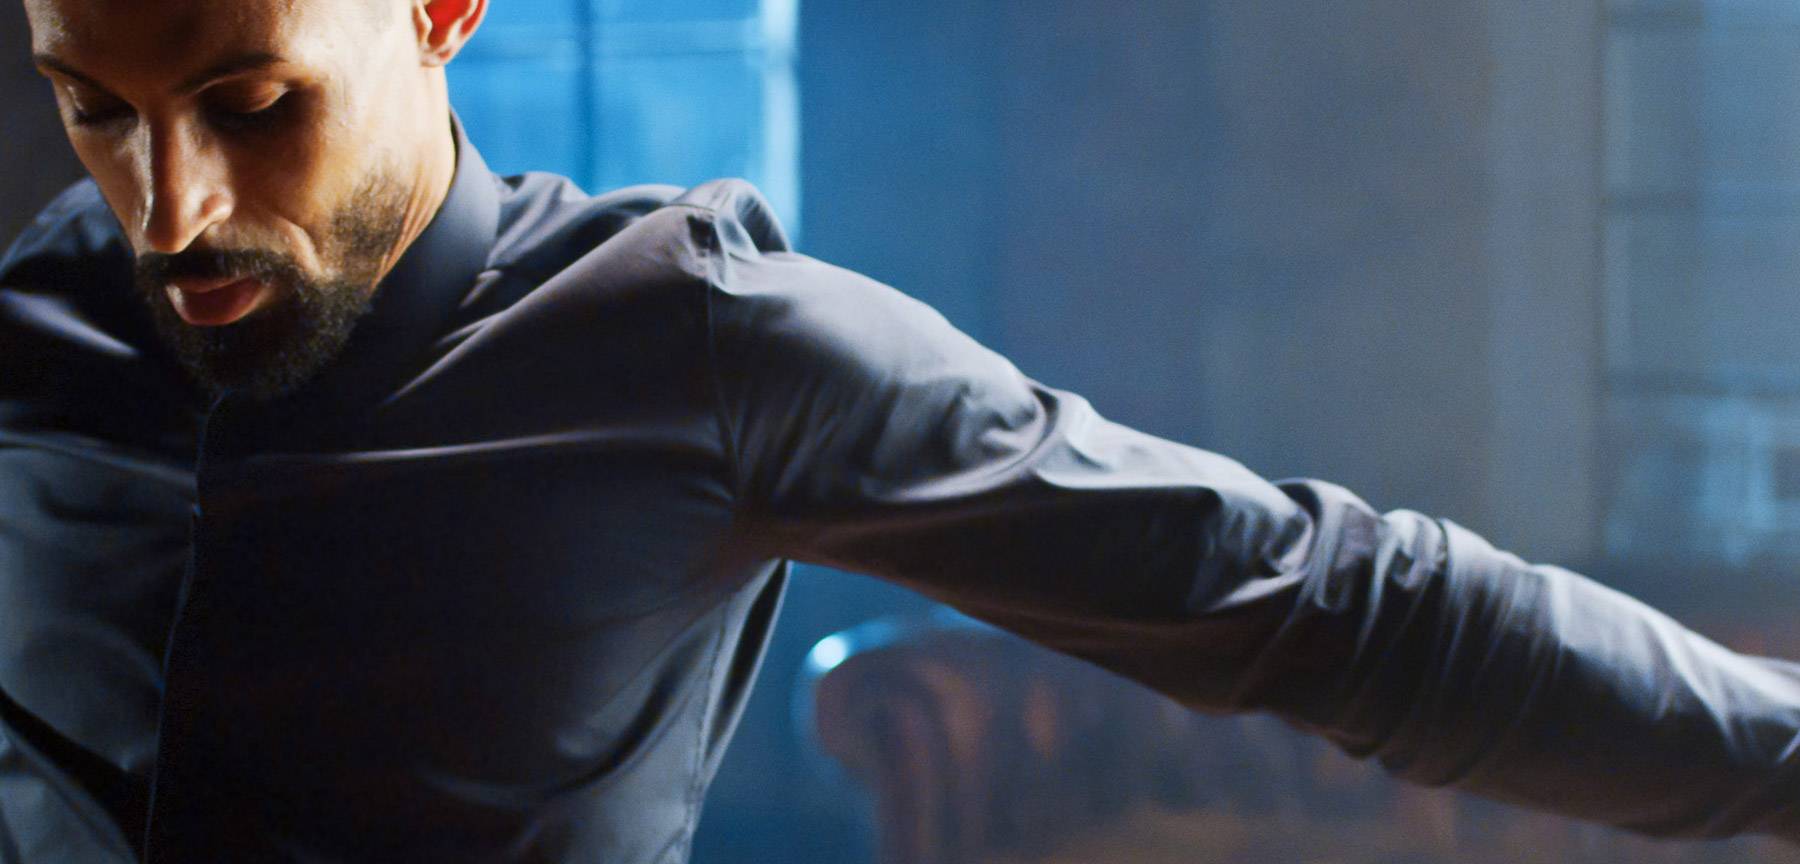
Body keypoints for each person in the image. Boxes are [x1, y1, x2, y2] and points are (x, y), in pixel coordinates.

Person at [2, 0, 1796, 861]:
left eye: (255, 103)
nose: (170, 210)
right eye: (93, 107)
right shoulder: (40, 317)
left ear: (440, 11)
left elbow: (1331, 598)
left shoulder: (695, 346)